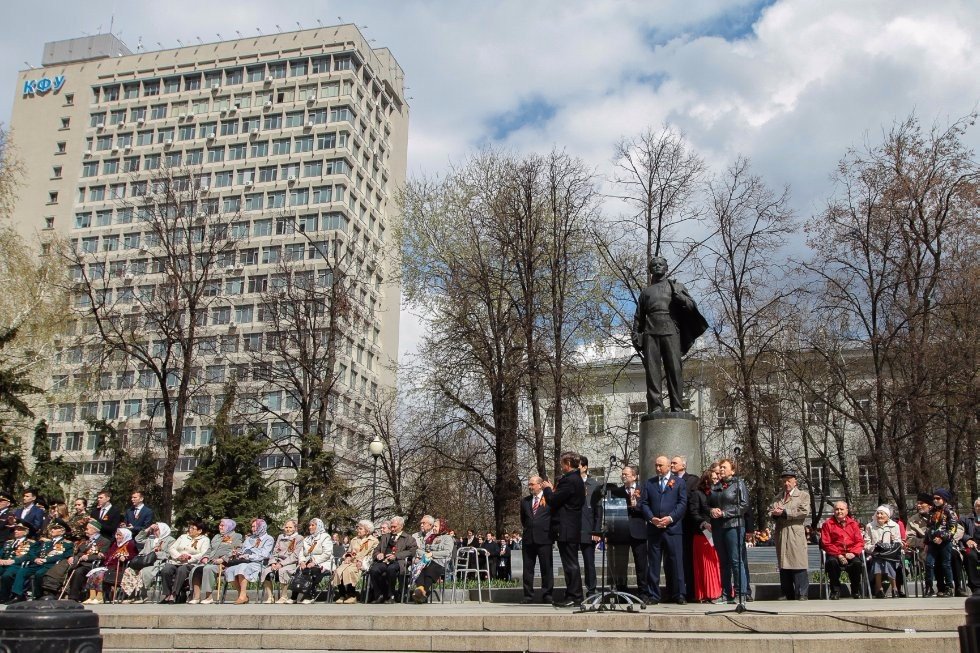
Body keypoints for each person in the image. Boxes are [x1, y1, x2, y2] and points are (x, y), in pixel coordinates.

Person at [631, 256, 707, 413]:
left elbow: (691, 305)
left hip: (671, 331)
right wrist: (635, 335)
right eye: (654, 265)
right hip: (651, 333)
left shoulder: (676, 286)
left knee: (674, 370)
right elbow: (638, 317)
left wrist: (681, 299)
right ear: (650, 270)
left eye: (661, 264)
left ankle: (677, 407)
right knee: (653, 372)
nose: (658, 266)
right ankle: (656, 407)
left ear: (666, 268)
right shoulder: (646, 293)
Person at [641, 454, 688, 605]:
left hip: (672, 529)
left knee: (676, 563)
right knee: (654, 564)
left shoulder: (679, 483)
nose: (657, 468)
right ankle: (654, 595)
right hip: (655, 529)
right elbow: (644, 503)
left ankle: (678, 593)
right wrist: (651, 518)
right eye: (656, 465)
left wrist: (670, 518)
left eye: (660, 465)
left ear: (668, 467)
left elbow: (682, 503)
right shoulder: (649, 483)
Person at [542, 451, 585, 608]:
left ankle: (575, 595)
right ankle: (572, 594)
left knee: (570, 563)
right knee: (570, 562)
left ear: (568, 464)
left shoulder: (569, 481)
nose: (561, 466)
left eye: (562, 463)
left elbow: (553, 500)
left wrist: (547, 488)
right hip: (570, 526)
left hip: (566, 527)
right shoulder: (576, 479)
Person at [707, 458, 749, 603]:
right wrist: (711, 510)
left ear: (733, 470)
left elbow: (744, 506)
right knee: (723, 562)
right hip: (718, 527)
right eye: (721, 468)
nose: (722, 470)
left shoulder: (738, 484)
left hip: (733, 525)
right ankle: (726, 593)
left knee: (736, 560)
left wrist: (725, 513)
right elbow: (707, 505)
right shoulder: (716, 486)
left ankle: (740, 593)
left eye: (725, 467)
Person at [607, 465, 650, 600]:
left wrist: (636, 507)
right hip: (621, 531)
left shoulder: (643, 490)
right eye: (622, 474)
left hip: (638, 530)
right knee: (620, 564)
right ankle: (621, 592)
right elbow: (612, 510)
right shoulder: (617, 491)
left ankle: (643, 592)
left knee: (641, 564)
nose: (623, 476)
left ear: (635, 476)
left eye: (626, 474)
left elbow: (647, 508)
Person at [769, 469, 810, 601]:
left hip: (795, 531)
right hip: (781, 532)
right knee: (783, 562)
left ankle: (802, 592)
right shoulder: (778, 497)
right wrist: (774, 513)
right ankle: (787, 592)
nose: (786, 483)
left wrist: (784, 512)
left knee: (798, 562)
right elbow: (771, 511)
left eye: (789, 480)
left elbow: (803, 511)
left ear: (795, 481)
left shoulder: (803, 495)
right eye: (784, 481)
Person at [689, 466, 722, 603]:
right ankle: (707, 593)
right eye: (712, 479)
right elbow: (694, 512)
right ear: (706, 480)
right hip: (703, 533)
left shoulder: (719, 493)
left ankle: (717, 591)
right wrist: (703, 523)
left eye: (716, 478)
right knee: (706, 565)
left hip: (718, 531)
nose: (715, 481)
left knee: (716, 563)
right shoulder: (697, 494)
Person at [189, 518, 242, 604]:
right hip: (211, 561)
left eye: (222, 525)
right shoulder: (217, 537)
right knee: (196, 569)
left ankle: (208, 597)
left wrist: (223, 559)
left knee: (208, 569)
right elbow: (209, 549)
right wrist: (205, 557)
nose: (220, 527)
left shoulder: (236, 536)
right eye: (219, 525)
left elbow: (237, 550)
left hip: (224, 564)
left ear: (229, 526)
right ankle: (196, 597)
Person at [820, 501, 865, 599]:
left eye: (841, 509)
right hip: (834, 553)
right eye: (837, 509)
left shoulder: (853, 524)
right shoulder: (827, 524)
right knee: (832, 562)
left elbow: (860, 542)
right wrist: (839, 555)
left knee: (857, 563)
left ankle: (855, 591)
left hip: (850, 553)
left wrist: (853, 553)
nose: (839, 511)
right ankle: (835, 591)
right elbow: (826, 543)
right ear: (834, 511)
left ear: (847, 511)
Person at [223, 518, 274, 604]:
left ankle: (242, 596)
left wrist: (249, 556)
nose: (253, 529)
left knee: (242, 568)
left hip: (259, 563)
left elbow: (264, 554)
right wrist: (238, 553)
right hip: (246, 562)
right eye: (252, 527)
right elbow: (244, 550)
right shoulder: (250, 538)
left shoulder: (268, 539)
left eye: (255, 526)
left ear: (261, 527)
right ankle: (242, 595)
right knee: (229, 570)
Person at [519, 476, 553, 604]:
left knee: (546, 568)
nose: (530, 487)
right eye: (529, 484)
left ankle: (547, 595)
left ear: (540, 485)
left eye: (532, 484)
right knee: (527, 569)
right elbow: (524, 519)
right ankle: (528, 595)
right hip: (528, 539)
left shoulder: (548, 499)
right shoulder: (525, 501)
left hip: (544, 538)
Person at [367, 515, 417, 604]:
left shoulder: (408, 538)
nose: (392, 529)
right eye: (391, 527)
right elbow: (376, 550)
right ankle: (379, 595)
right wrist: (378, 554)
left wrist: (396, 556)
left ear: (401, 526)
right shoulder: (385, 537)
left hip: (399, 561)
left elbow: (411, 551)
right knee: (374, 570)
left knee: (391, 569)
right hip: (385, 560)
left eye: (395, 527)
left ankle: (391, 595)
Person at [158, 520, 210, 604]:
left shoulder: (205, 540)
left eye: (193, 528)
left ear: (199, 531)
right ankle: (167, 594)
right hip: (177, 561)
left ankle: (174, 594)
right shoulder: (183, 537)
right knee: (166, 570)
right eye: (190, 528)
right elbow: (172, 548)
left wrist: (189, 558)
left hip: (191, 563)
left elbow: (203, 554)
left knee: (182, 570)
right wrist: (179, 556)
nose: (190, 530)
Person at [671, 455, 701, 600]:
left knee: (687, 560)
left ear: (683, 465)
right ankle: (675, 591)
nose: (672, 465)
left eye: (674, 463)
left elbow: (692, 500)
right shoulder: (669, 480)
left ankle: (691, 591)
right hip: (673, 525)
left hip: (687, 525)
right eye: (670, 463)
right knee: (674, 560)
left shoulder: (692, 480)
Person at [58, 519, 110, 602]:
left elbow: (102, 556)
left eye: (87, 529)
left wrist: (88, 557)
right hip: (80, 562)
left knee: (78, 571)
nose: (85, 531)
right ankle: (58, 592)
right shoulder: (84, 541)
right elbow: (78, 553)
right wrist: (80, 556)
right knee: (64, 567)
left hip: (92, 565)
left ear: (94, 530)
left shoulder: (104, 541)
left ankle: (73, 597)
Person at [330, 519, 377, 604]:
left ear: (367, 531)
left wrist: (361, 561)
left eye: (360, 529)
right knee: (338, 570)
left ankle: (352, 595)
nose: (358, 530)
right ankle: (343, 594)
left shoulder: (373, 541)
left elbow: (372, 555)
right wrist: (347, 557)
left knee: (350, 571)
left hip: (363, 563)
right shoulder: (354, 540)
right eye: (358, 528)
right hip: (351, 561)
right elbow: (349, 551)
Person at [85, 527, 136, 603]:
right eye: (117, 535)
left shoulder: (130, 544)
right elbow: (109, 555)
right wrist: (103, 556)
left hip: (119, 569)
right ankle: (92, 597)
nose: (117, 537)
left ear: (125, 535)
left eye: (120, 535)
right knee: (93, 573)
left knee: (99, 574)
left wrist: (125, 558)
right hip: (108, 567)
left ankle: (99, 597)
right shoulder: (116, 544)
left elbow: (134, 556)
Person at [127, 521, 174, 603]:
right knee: (129, 570)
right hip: (144, 561)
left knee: (144, 571)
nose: (155, 532)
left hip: (157, 563)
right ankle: (130, 594)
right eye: (154, 530)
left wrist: (155, 554)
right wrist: (149, 528)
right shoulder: (151, 539)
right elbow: (138, 539)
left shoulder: (170, 540)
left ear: (163, 530)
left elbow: (169, 554)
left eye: (157, 530)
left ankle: (141, 595)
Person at [411, 518, 454, 603]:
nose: (433, 528)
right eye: (433, 526)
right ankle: (421, 591)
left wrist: (432, 554)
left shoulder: (447, 538)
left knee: (430, 568)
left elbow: (447, 552)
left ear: (441, 527)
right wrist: (425, 554)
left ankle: (422, 591)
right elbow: (419, 549)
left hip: (440, 562)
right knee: (419, 566)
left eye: (436, 526)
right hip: (427, 560)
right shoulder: (430, 538)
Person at [289, 518, 332, 604]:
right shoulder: (307, 539)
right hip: (307, 561)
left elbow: (327, 553)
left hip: (321, 562)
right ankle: (294, 597)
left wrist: (314, 562)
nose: (310, 527)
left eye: (313, 525)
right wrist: (301, 562)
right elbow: (302, 552)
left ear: (319, 526)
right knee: (299, 570)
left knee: (312, 571)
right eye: (309, 525)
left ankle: (309, 595)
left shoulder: (325, 537)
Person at [260, 519, 304, 603]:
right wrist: (273, 562)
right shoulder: (281, 537)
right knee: (266, 571)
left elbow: (295, 555)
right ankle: (270, 597)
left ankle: (284, 596)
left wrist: (282, 564)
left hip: (291, 563)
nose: (288, 529)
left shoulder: (299, 538)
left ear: (295, 528)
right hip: (278, 561)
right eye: (286, 527)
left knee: (283, 571)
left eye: (290, 527)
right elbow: (275, 551)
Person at [864, 505, 902, 598]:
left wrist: (892, 541)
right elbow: (866, 544)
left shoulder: (895, 526)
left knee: (887, 561)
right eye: (878, 513)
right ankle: (887, 588)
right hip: (875, 554)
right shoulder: (870, 526)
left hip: (891, 555)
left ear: (888, 516)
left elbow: (898, 542)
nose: (879, 516)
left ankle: (885, 588)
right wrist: (875, 547)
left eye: (882, 514)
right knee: (878, 560)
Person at [925, 488, 956, 597]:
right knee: (929, 563)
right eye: (934, 498)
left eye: (938, 498)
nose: (935, 500)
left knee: (945, 564)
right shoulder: (931, 511)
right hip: (932, 542)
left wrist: (942, 538)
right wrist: (927, 540)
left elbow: (953, 528)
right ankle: (928, 587)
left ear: (944, 499)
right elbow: (928, 527)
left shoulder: (949, 511)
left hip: (945, 543)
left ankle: (949, 587)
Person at [578, 456, 601, 596]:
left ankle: (591, 590)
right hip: (573, 527)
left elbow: (599, 510)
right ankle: (574, 591)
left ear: (585, 467)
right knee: (572, 562)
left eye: (578, 466)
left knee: (589, 562)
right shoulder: (570, 483)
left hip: (588, 528)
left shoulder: (594, 485)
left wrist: (597, 530)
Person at [0, 523, 38, 603]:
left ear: (25, 532)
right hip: (3, 563)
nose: (16, 531)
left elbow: (30, 556)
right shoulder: (8, 542)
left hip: (17, 565)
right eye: (15, 529)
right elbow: (1, 553)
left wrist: (13, 561)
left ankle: (5, 596)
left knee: (7, 575)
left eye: (19, 529)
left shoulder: (31, 543)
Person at [960, 497, 980, 594]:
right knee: (970, 555)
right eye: (977, 506)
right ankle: (976, 586)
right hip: (972, 547)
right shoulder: (966, 519)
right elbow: (959, 532)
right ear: (974, 507)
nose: (979, 508)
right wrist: (967, 539)